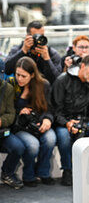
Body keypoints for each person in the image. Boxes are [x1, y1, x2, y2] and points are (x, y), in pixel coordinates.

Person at [51, 53, 89, 186]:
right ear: (82, 66)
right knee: (64, 137)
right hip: (63, 122)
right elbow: (55, 111)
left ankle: (87, 169)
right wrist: (67, 123)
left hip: (85, 120)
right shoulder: (62, 80)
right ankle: (68, 171)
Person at [8, 57, 57, 187]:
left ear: (32, 75)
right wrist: (20, 112)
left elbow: (49, 108)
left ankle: (43, 172)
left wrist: (47, 119)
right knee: (33, 145)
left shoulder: (43, 85)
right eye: (17, 74)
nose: (20, 78)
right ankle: (28, 174)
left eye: (24, 76)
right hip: (20, 127)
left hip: (39, 123)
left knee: (50, 139)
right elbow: (8, 110)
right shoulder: (11, 85)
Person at [0, 76, 25, 189]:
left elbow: (11, 114)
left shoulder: (7, 88)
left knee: (18, 147)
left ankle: (7, 173)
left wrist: (1, 121)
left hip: (1, 130)